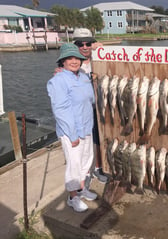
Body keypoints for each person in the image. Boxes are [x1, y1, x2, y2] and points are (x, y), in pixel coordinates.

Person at [47, 43, 98, 212]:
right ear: (62, 61)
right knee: (73, 164)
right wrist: (72, 134)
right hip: (72, 132)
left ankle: (82, 189)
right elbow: (60, 110)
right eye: (70, 58)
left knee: (86, 161)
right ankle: (72, 197)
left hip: (87, 126)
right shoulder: (58, 81)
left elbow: (90, 99)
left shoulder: (83, 76)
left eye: (77, 58)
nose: (74, 61)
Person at [72, 28, 109, 186]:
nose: (85, 47)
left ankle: (99, 168)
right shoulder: (72, 62)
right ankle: (84, 172)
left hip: (100, 108)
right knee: (83, 143)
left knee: (100, 140)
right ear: (76, 45)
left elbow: (118, 56)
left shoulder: (100, 57)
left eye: (89, 43)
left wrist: (103, 47)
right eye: (81, 44)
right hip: (81, 111)